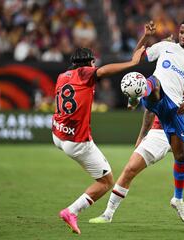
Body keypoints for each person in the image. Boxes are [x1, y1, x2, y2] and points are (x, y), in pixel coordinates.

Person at [90, 19, 184, 223]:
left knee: (180, 158)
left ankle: (178, 200)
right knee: (130, 168)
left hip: (174, 111)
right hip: (156, 97)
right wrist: (146, 36)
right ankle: (107, 214)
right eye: (181, 32)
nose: (183, 36)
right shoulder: (165, 46)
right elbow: (136, 57)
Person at [89, 80, 184, 224]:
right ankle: (108, 214)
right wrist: (142, 136)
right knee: (130, 169)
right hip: (159, 131)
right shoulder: (164, 77)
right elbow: (149, 109)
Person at [52, 46, 144, 235]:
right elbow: (102, 71)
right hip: (76, 141)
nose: (95, 65)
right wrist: (133, 63)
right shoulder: (85, 73)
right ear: (88, 63)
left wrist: (141, 43)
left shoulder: (62, 76)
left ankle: (72, 212)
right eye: (93, 61)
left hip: (58, 134)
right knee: (106, 182)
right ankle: (71, 212)